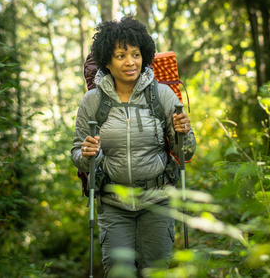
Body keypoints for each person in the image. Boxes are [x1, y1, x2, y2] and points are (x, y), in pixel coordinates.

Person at [71, 16, 196, 276]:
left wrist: (184, 133)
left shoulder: (162, 95)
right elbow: (78, 154)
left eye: (136, 54)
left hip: (157, 200)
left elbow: (186, 153)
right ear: (107, 60)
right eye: (120, 55)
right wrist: (86, 154)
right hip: (114, 204)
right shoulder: (92, 101)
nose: (130, 62)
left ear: (144, 56)